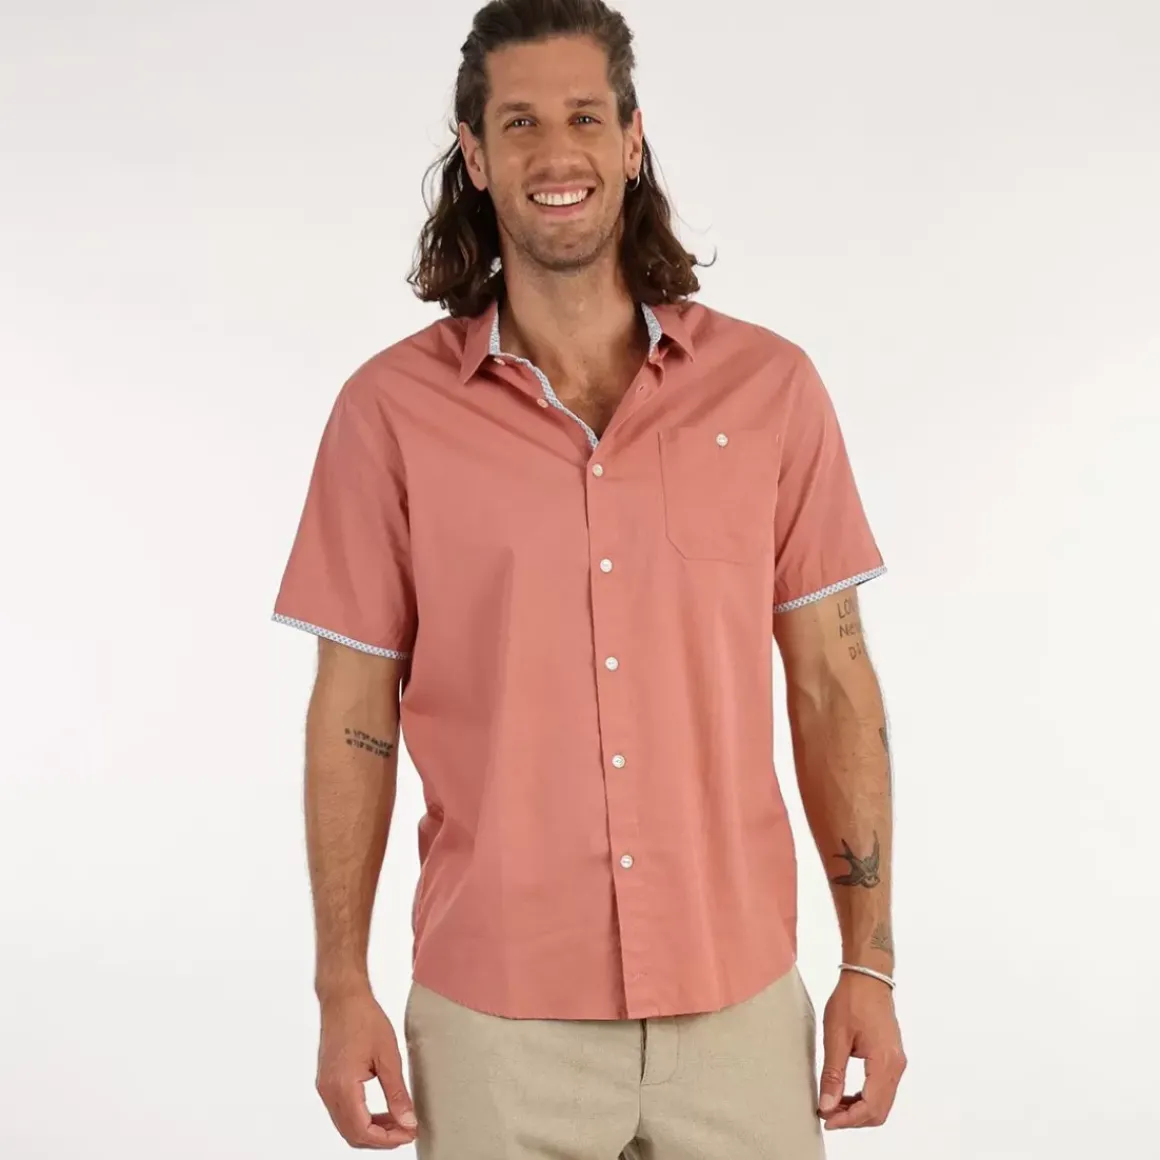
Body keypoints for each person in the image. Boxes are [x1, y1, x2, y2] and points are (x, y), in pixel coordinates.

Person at [270, 0, 906, 1155]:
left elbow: (831, 680)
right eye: (518, 123)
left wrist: (867, 960)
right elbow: (350, 713)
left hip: (737, 1010)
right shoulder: (387, 415)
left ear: (630, 138)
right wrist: (339, 984)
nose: (554, 152)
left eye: (582, 116)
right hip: (494, 1023)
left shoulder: (769, 390)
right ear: (473, 155)